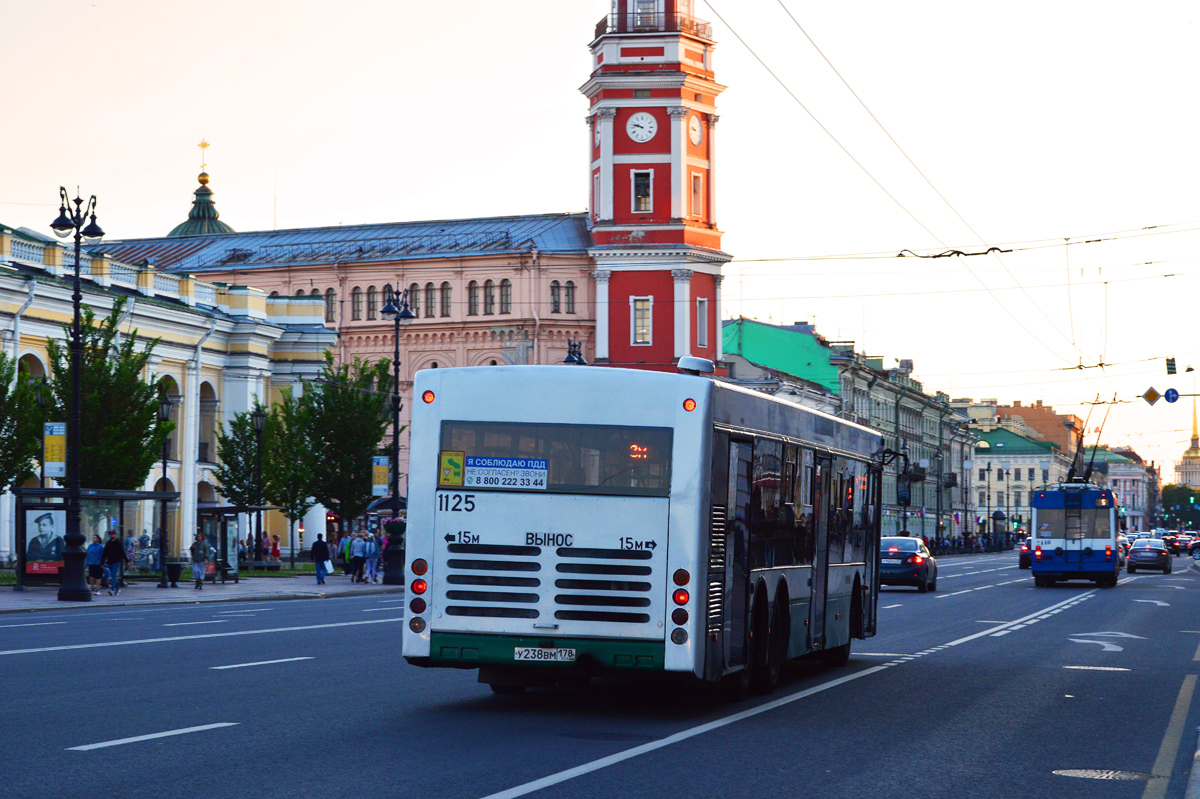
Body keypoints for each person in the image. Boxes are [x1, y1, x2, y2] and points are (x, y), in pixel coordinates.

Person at [101, 529, 128, 596]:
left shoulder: (118, 543)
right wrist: (102, 563)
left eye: (112, 534)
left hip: (116, 561)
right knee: (113, 576)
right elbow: (104, 554)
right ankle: (118, 587)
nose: (111, 535)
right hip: (110, 562)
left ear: (115, 535)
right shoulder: (108, 543)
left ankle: (112, 590)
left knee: (113, 575)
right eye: (110, 534)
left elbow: (122, 553)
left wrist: (126, 561)